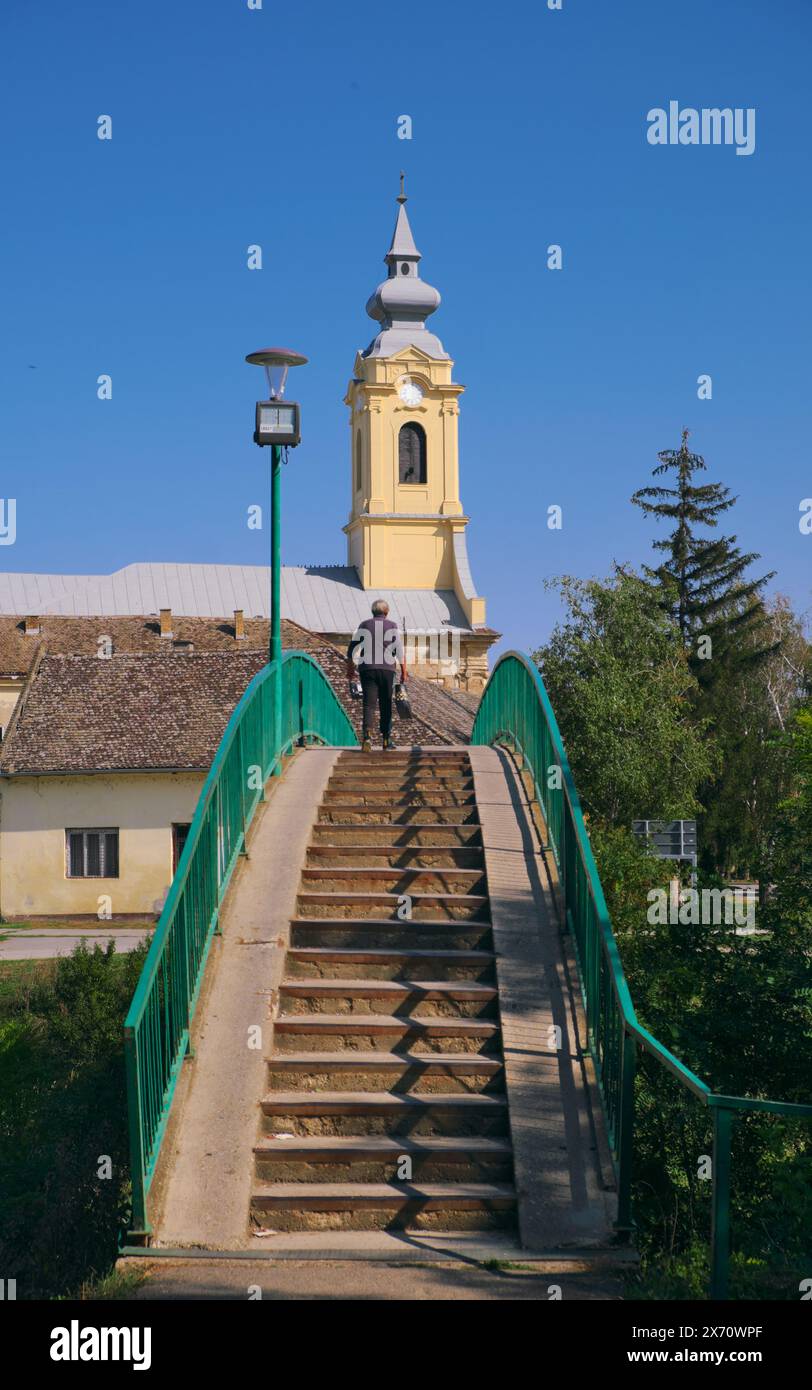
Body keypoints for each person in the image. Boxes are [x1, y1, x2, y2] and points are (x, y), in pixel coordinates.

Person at [346, 599, 407, 751]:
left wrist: (350, 668)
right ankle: (386, 739)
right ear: (386, 613)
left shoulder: (364, 625)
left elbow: (351, 649)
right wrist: (404, 672)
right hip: (387, 669)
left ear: (373, 612)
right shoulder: (392, 626)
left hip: (367, 669)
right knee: (385, 703)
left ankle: (367, 737)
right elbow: (399, 651)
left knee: (369, 704)